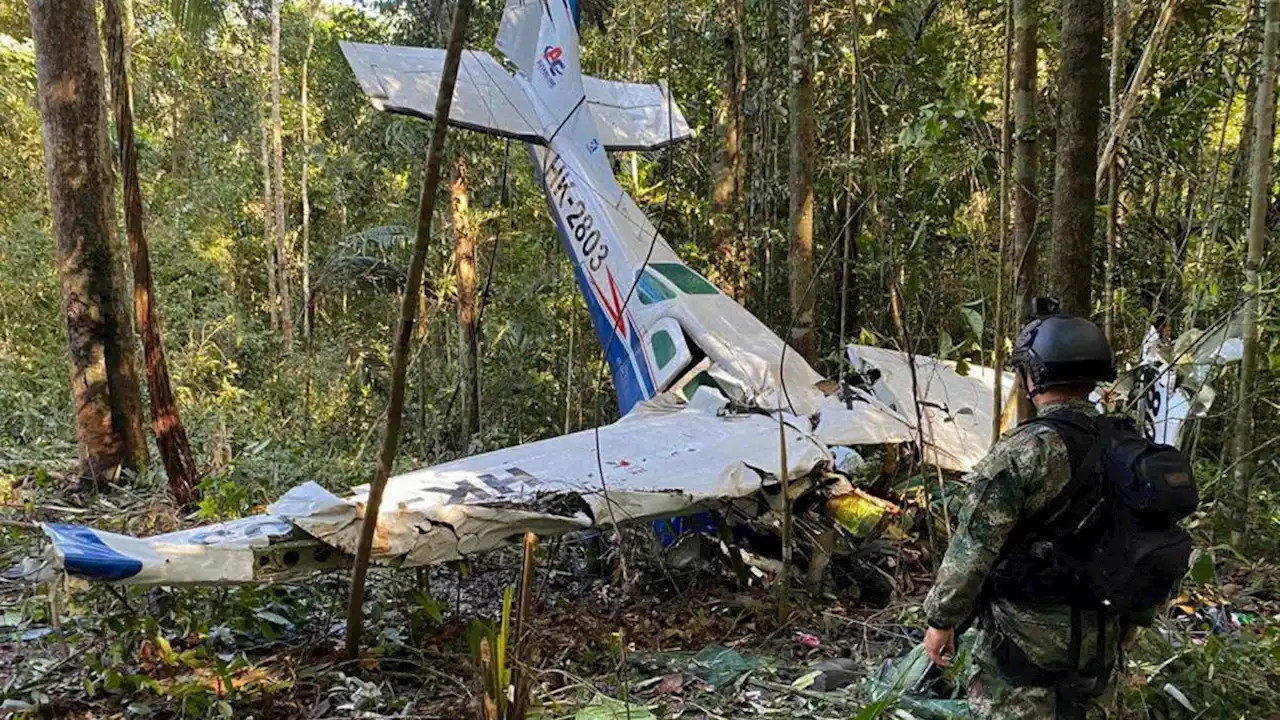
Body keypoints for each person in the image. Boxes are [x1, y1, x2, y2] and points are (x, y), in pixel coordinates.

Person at [920, 308, 1130, 719]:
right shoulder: (1127, 444)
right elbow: (1150, 534)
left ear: (1034, 375)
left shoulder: (1027, 450)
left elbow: (974, 547)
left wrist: (941, 620)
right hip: (1102, 640)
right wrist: (1136, 619)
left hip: (1024, 644)